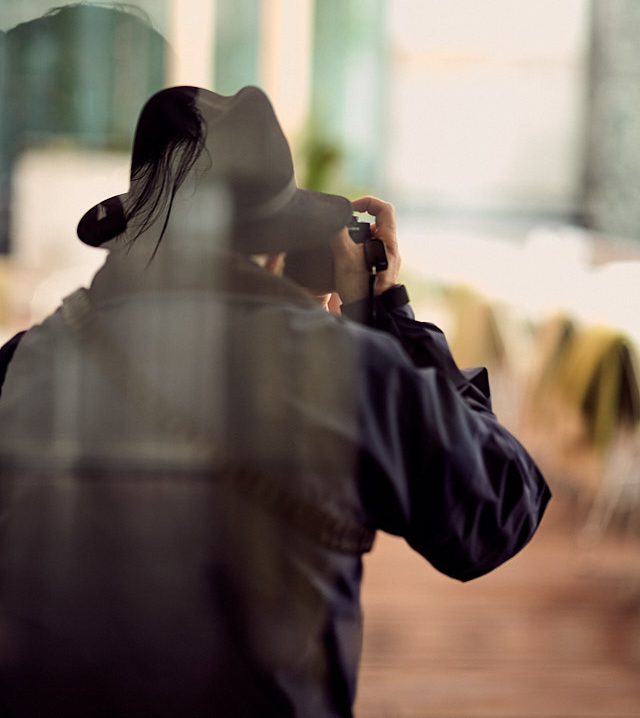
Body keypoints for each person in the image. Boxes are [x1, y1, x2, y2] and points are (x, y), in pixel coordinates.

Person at [0, 84, 550, 717]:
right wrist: (386, 317)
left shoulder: (23, 364)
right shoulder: (347, 374)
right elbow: (500, 509)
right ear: (277, 247)